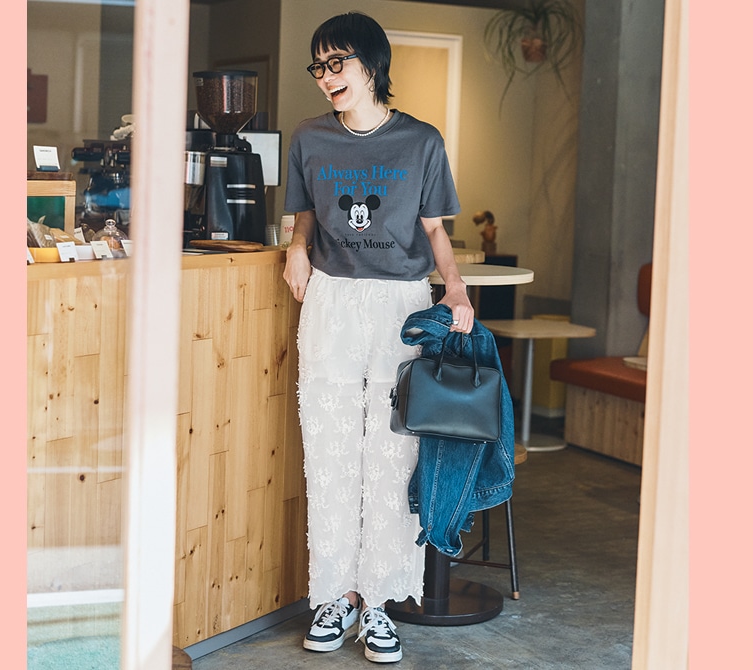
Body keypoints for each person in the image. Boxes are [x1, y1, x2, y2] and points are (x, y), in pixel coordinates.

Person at [281, 11, 473, 665]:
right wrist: (297, 247)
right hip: (332, 301)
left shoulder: (421, 141)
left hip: (400, 304)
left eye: (337, 62)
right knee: (329, 451)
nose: (326, 76)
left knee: (393, 456)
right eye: (319, 65)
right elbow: (305, 213)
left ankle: (381, 603)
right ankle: (335, 597)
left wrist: (455, 289)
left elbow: (435, 229)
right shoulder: (309, 138)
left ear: (372, 65)